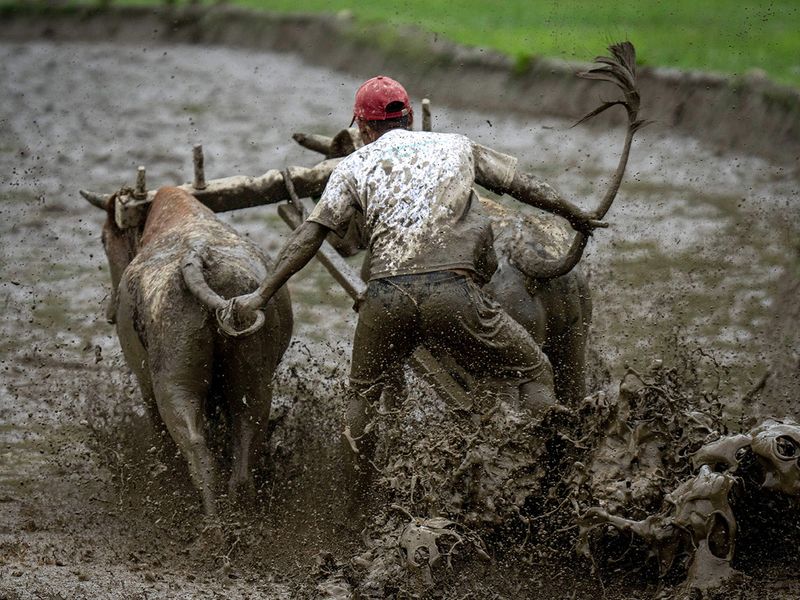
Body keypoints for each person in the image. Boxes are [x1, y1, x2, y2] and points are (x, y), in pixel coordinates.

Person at [225, 76, 602, 504]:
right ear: (411, 119)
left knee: (362, 398)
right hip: (453, 294)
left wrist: (261, 295)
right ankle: (550, 481)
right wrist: (576, 214)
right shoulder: (457, 146)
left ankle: (354, 509)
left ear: (363, 130)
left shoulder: (353, 166)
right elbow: (522, 184)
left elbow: (310, 236)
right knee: (535, 371)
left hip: (386, 298)